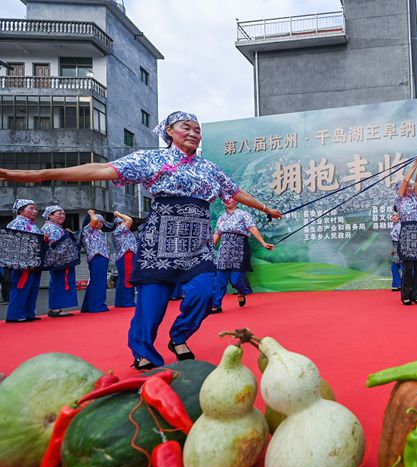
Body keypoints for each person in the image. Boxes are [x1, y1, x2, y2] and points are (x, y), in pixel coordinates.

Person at [0, 111, 282, 369]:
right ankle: (144, 351)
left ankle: (179, 336)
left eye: (198, 129)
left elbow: (236, 191)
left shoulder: (210, 168)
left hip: (198, 244)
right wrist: (40, 174)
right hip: (160, 240)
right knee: (151, 304)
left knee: (204, 293)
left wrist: (266, 209)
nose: (195, 132)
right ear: (169, 131)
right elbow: (101, 170)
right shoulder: (151, 160)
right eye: (187, 127)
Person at [210, 198, 273, 314]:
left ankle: (241, 290)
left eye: (230, 198)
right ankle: (216, 305)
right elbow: (217, 234)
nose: (227, 200)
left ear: (237, 201)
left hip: (239, 248)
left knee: (236, 279)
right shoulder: (221, 218)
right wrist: (209, 248)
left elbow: (252, 228)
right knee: (220, 279)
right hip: (224, 250)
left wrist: (263, 242)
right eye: (225, 199)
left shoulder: (244, 214)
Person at [4, 199, 43, 322]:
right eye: (30, 208)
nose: (34, 211)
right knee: (21, 287)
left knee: (32, 288)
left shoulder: (31, 224)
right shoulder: (15, 224)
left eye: (35, 209)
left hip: (34, 262)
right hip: (23, 263)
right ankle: (16, 315)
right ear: (20, 210)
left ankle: (28, 313)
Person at [396, 155, 417, 305]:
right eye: (407, 187)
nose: (409, 188)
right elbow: (405, 180)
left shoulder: (414, 197)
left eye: (410, 187)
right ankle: (406, 296)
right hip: (407, 233)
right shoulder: (400, 199)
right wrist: (415, 164)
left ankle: (416, 295)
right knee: (408, 268)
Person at [41, 205, 79, 317]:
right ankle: (55, 308)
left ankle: (57, 307)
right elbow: (52, 245)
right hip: (59, 261)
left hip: (64, 261)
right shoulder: (49, 227)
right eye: (59, 214)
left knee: (61, 282)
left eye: (63, 214)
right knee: (58, 283)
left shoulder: (56, 227)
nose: (62, 216)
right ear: (50, 215)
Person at [80, 210, 111, 314]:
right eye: (98, 221)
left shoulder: (99, 232)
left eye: (102, 222)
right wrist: (91, 213)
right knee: (98, 282)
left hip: (102, 257)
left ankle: (88, 306)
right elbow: (94, 220)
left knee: (96, 281)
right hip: (97, 256)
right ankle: (97, 306)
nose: (100, 223)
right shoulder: (88, 229)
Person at [111, 211, 138, 308]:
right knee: (127, 279)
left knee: (124, 278)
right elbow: (129, 220)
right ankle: (127, 301)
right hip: (127, 255)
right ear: (118, 223)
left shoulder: (122, 231)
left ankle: (121, 302)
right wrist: (118, 214)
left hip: (126, 255)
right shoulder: (119, 230)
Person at [389, 210, 402, 291]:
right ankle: (397, 285)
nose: (394, 217)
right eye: (393, 216)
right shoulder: (394, 225)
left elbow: (401, 239)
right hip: (395, 248)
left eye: (396, 216)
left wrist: (398, 250)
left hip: (400, 248)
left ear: (399, 218)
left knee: (404, 268)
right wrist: (393, 250)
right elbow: (394, 239)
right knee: (394, 267)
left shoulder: (400, 226)